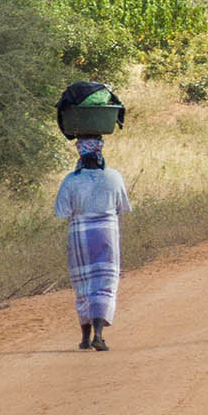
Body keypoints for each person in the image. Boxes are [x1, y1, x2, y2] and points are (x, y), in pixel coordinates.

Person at [55, 135, 131, 351]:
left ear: (80, 154)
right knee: (105, 283)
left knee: (83, 284)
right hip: (107, 233)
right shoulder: (114, 178)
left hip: (80, 235)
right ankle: (99, 333)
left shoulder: (70, 181)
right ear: (100, 154)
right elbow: (122, 206)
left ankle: (85, 338)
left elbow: (62, 212)